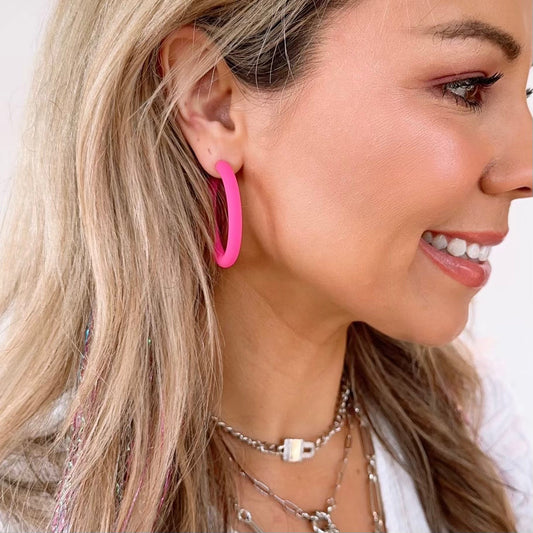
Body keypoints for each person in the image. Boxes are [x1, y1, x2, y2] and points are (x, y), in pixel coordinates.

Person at [0, 0, 532, 531]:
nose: (525, 169)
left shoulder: (484, 443)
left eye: (526, 93)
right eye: (467, 88)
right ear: (211, 101)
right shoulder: (29, 507)